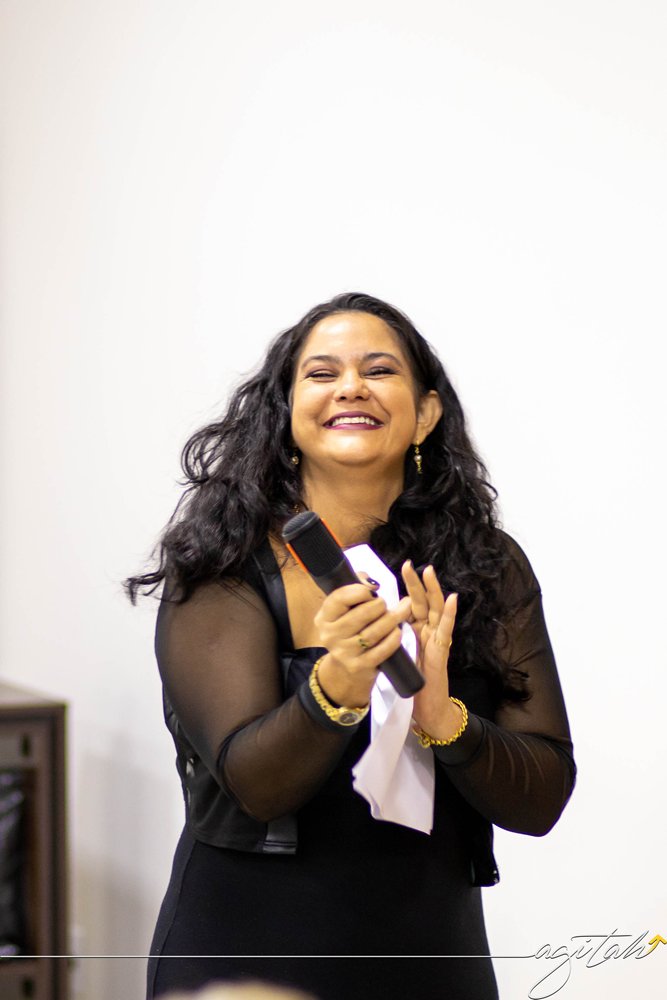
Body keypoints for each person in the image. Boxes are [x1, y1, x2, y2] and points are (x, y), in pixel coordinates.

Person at [126, 292, 576, 1000]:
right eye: (321, 373)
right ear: (286, 410)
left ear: (425, 413)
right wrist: (337, 685)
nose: (351, 388)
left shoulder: (487, 565)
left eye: (379, 370)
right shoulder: (222, 564)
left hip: (434, 957)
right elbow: (256, 788)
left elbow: (541, 798)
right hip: (250, 953)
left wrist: (442, 717)